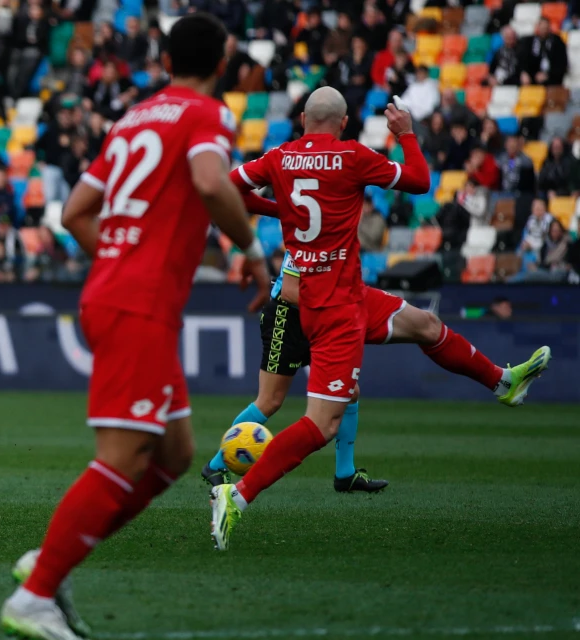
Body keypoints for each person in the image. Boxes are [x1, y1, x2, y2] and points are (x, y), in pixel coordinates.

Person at [0, 12, 272, 640]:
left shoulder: (132, 119)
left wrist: (124, 257)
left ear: (167, 57)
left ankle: (48, 562)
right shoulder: (206, 112)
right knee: (122, 458)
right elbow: (210, 181)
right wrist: (253, 251)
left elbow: (74, 214)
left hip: (118, 295)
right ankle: (35, 592)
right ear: (224, 58)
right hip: (138, 305)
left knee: (175, 454)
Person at [210, 89, 551, 549]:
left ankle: (502, 382)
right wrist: (406, 134)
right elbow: (419, 180)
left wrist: (280, 210)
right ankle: (238, 493)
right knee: (321, 424)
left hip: (340, 294)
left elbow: (225, 190)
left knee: (426, 326)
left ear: (304, 119)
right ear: (345, 122)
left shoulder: (278, 156)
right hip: (334, 311)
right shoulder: (352, 155)